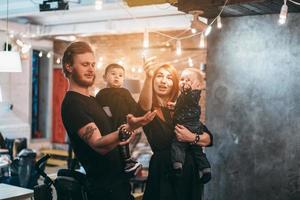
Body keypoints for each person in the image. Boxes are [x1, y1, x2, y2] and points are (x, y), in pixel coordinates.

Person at [60, 41, 156, 200]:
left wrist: (149, 78)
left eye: (92, 64)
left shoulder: (93, 99)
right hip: (103, 190)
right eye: (85, 64)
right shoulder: (73, 103)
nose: (91, 69)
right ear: (69, 66)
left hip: (118, 184)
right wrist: (129, 129)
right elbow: (99, 145)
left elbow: (142, 108)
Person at [138, 60, 213, 200]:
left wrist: (192, 137)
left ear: (175, 84)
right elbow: (143, 104)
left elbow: (208, 139)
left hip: (189, 171)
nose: (163, 81)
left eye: (169, 77)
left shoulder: (183, 108)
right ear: (153, 80)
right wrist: (148, 77)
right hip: (163, 172)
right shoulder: (148, 109)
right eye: (159, 76)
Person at [96, 63, 142, 176]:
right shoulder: (102, 93)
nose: (117, 77)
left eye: (120, 75)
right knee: (115, 145)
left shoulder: (125, 92)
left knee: (124, 142)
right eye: (113, 74)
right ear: (104, 77)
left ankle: (127, 161)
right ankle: (125, 162)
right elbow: (98, 108)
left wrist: (132, 117)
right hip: (110, 122)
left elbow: (133, 107)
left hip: (124, 122)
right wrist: (105, 112)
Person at [171, 68, 211, 184]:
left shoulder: (192, 94)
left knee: (177, 145)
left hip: (187, 125)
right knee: (197, 150)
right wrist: (175, 106)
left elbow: (189, 99)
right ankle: (206, 169)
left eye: (188, 80)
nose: (184, 82)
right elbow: (186, 105)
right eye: (182, 79)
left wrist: (189, 90)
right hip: (194, 126)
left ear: (197, 85)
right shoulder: (186, 96)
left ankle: (177, 165)